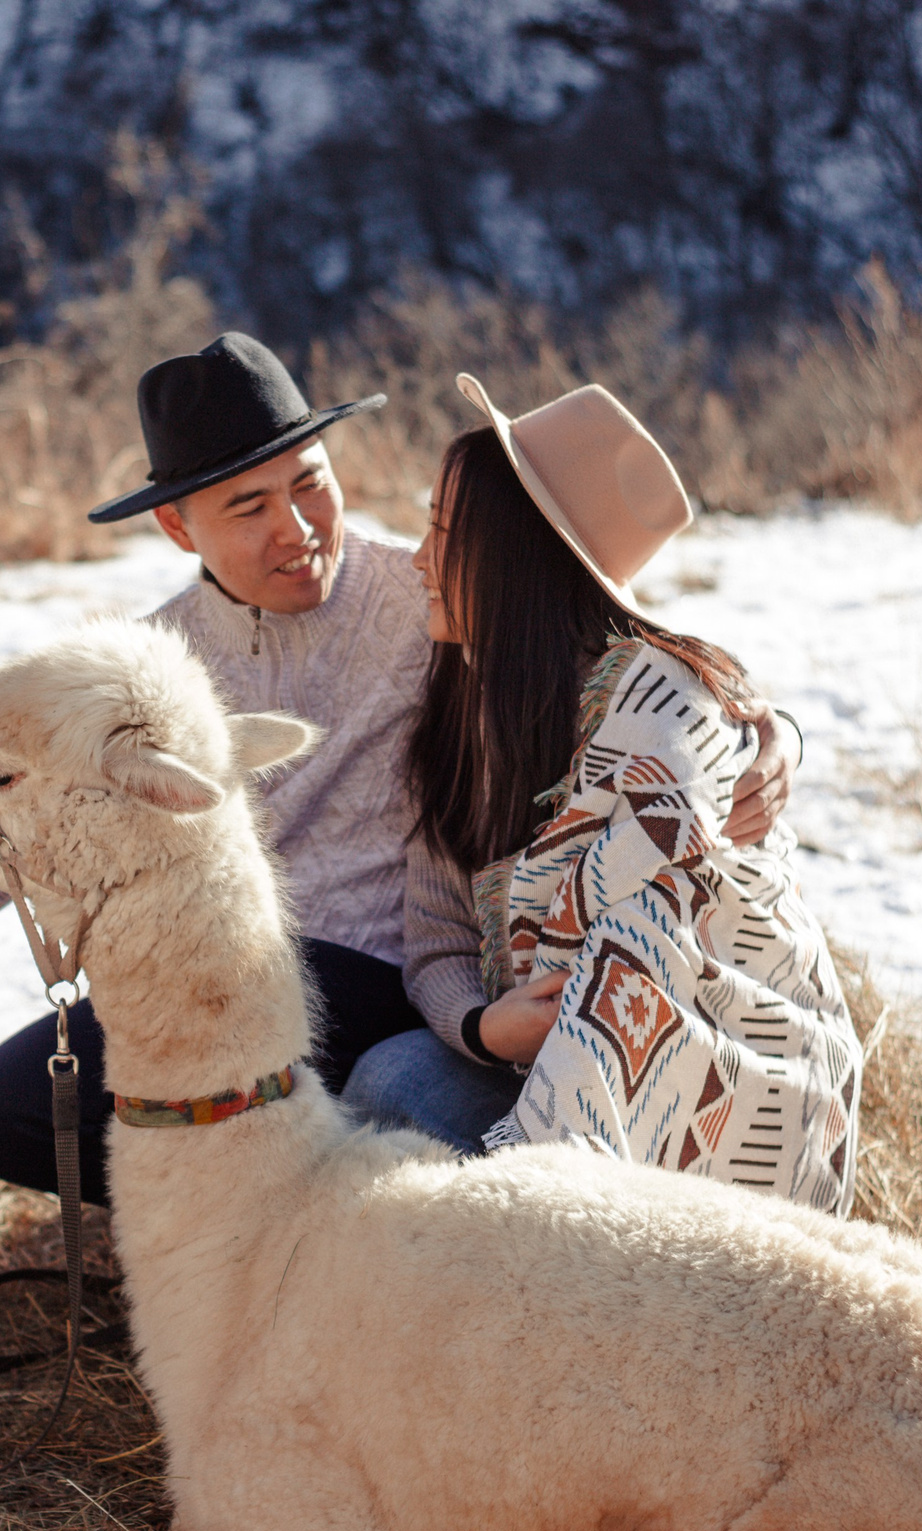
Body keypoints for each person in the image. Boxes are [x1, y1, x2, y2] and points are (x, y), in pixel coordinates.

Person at [0, 335, 799, 1206]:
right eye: (248, 508)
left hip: (393, 978)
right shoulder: (149, 667)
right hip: (222, 973)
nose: (296, 529)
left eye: (310, 483)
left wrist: (771, 736)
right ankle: (229, 1222)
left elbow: (627, 655)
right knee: (6, 1109)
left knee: (324, 1019)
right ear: (175, 525)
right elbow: (19, 810)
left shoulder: (437, 595)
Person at [353, 374, 860, 1209]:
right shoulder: (460, 711)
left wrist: (779, 738)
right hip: (530, 1072)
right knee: (389, 1081)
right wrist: (485, 1027)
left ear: (517, 555)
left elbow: (695, 916)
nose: (417, 557)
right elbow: (438, 936)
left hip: (696, 1089)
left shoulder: (668, 716)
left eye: (442, 532)